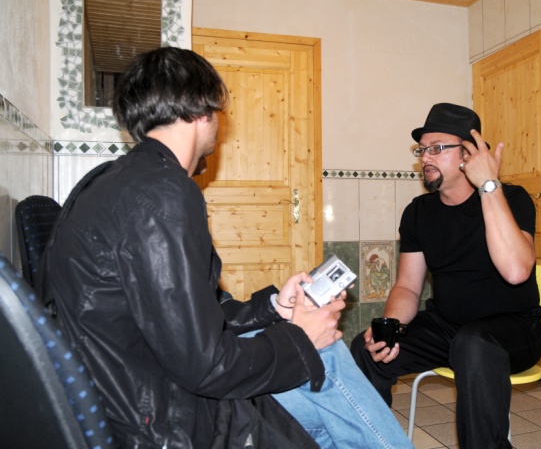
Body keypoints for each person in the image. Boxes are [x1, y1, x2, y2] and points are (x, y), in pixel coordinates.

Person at [41, 47, 411, 449]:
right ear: (202, 108)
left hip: (135, 397)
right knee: (324, 355)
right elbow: (207, 365)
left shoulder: (114, 181)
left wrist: (275, 308)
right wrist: (301, 338)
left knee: (323, 398)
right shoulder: (163, 193)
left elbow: (183, 320)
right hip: (162, 423)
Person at [351, 103, 541, 448]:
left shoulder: (512, 198)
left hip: (513, 332)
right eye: (422, 149)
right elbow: (408, 286)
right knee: (367, 347)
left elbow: (517, 271)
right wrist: (390, 328)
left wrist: (488, 185)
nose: (425, 158)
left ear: (469, 154)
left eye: (437, 148)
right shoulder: (418, 212)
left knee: (473, 343)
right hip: (448, 330)